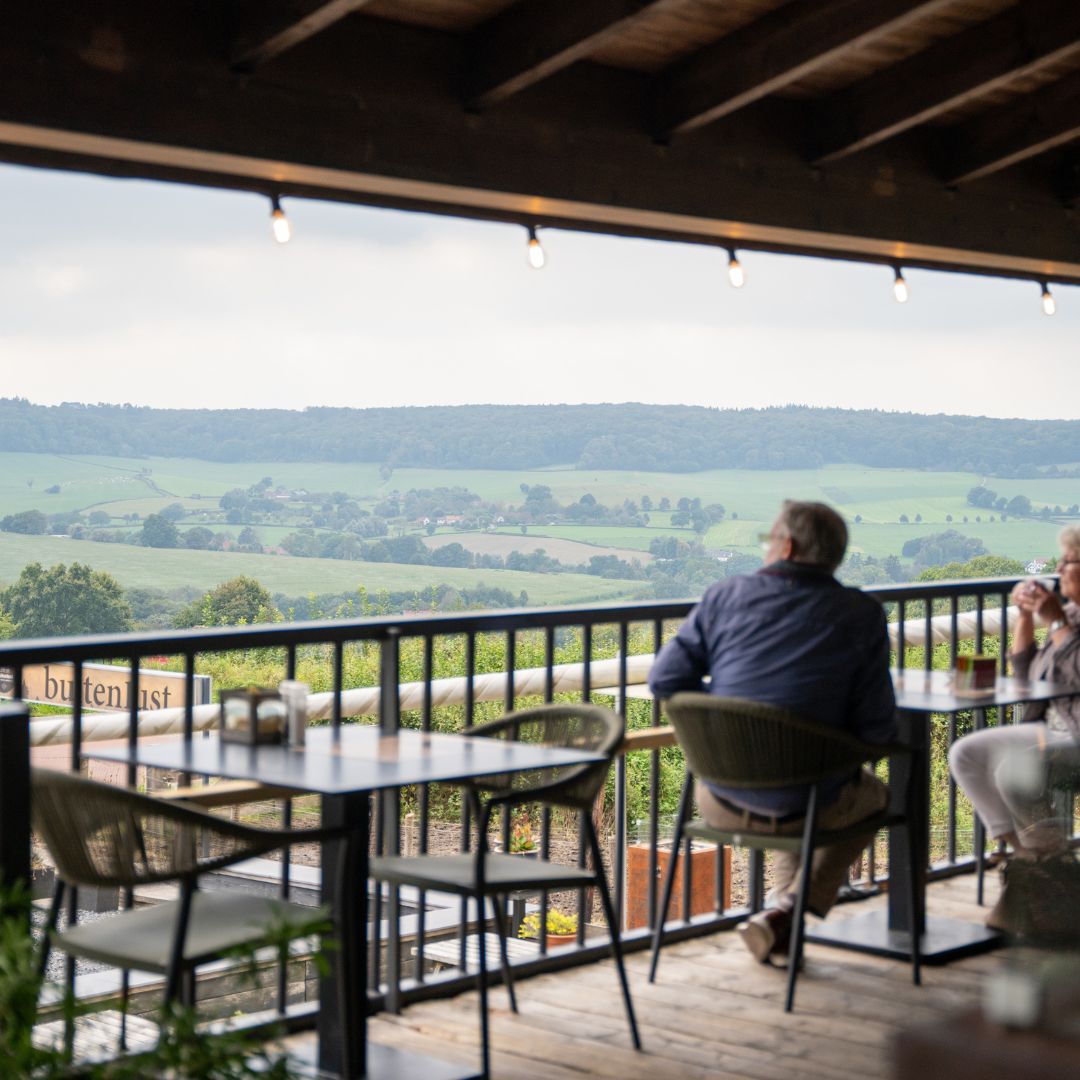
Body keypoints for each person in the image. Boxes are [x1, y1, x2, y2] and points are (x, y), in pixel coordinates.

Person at [648, 500, 896, 965]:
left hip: (720, 799)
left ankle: (782, 927)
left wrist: (733, 699)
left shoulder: (724, 597)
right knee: (873, 796)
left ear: (787, 545)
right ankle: (787, 910)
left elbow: (664, 681)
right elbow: (877, 727)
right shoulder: (859, 613)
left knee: (810, 789)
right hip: (814, 804)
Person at [948, 526, 1080, 928]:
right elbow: (1027, 675)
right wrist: (1026, 617)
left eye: (1068, 562)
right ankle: (1028, 855)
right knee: (967, 753)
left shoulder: (1066, 620)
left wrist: (1057, 624)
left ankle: (1045, 874)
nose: (1059, 570)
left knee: (1016, 769)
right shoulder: (1072, 615)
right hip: (1054, 727)